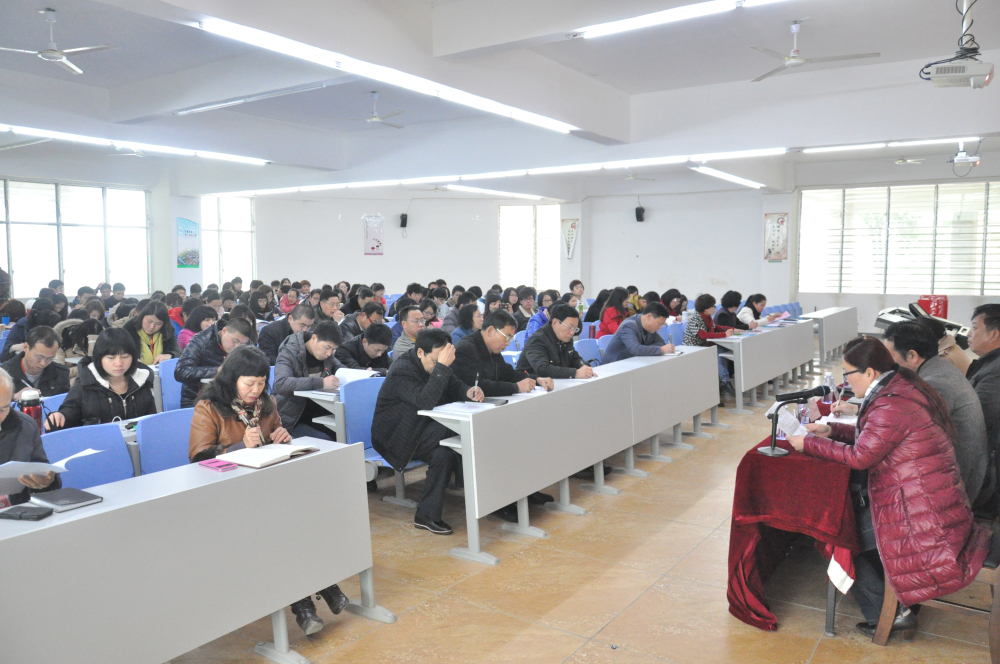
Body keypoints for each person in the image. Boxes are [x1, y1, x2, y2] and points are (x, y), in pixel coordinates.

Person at [787, 337, 990, 638]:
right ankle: (901, 599)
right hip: (929, 502)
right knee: (849, 522)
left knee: (840, 533)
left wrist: (809, 443)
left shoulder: (891, 402)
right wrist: (832, 430)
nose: (846, 381)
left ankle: (890, 613)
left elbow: (860, 457)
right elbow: (876, 438)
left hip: (921, 516)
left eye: (848, 374)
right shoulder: (899, 388)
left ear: (869, 372)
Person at [371, 328, 483, 535]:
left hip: (422, 428)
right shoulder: (402, 370)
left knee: (443, 454)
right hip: (398, 436)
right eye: (436, 361)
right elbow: (425, 401)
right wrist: (442, 367)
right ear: (420, 352)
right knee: (458, 429)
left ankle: (426, 515)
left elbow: (453, 384)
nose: (440, 365)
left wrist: (468, 391)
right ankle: (467, 483)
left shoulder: (435, 363)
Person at [867, 321, 989, 505]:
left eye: (890, 356)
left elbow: (900, 432)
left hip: (956, 487)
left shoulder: (935, 384)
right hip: (955, 471)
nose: (887, 363)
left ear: (912, 356)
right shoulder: (939, 367)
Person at [45, 328, 157, 430]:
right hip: (98, 444)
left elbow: (152, 422)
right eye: (111, 358)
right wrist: (60, 416)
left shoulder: (141, 381)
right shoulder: (86, 384)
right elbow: (69, 412)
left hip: (137, 444)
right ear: (99, 358)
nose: (119, 363)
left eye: (125, 357)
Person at [273, 321, 345, 440]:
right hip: (292, 416)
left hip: (318, 410)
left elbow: (340, 368)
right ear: (314, 338)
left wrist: (356, 375)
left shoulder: (326, 355)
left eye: (333, 350)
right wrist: (321, 382)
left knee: (344, 432)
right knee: (328, 439)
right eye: (327, 348)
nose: (329, 353)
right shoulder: (290, 352)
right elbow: (282, 383)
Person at [0, 368, 61, 508]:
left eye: (2, 409)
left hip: (15, 510)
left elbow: (42, 471)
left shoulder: (24, 426)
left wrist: (45, 482)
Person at [453, 310, 550, 397]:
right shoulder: (465, 349)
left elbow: (509, 374)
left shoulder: (493, 349)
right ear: (490, 331)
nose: (508, 343)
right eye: (506, 337)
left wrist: (537, 380)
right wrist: (516, 387)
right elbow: (476, 386)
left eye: (510, 339)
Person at [175, 317, 254, 407]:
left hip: (233, 398)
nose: (237, 347)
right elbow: (181, 371)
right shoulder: (200, 341)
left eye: (242, 344)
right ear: (224, 331)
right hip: (198, 399)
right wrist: (217, 371)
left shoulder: (246, 344)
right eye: (235, 341)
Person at [966, 304, 1000, 508]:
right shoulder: (989, 365)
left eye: (974, 328)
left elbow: (980, 419)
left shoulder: (995, 371)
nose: (969, 334)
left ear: (994, 334)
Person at [516, 304, 594, 379]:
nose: (572, 333)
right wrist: (575, 373)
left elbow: (574, 358)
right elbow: (542, 369)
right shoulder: (537, 339)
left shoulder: (566, 337)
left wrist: (584, 366)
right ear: (555, 323)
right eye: (570, 327)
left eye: (575, 329)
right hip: (532, 384)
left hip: (558, 382)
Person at [684, 294, 735, 393]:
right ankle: (724, 381)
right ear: (706, 309)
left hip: (703, 346)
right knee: (718, 352)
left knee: (720, 351)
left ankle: (724, 382)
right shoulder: (695, 318)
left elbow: (716, 327)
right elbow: (703, 335)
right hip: (694, 348)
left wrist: (733, 329)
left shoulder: (707, 317)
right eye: (713, 306)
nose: (715, 308)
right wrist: (724, 334)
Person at [1, 326, 70, 398]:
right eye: (39, 357)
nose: (43, 363)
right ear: (25, 347)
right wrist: (13, 398)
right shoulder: (4, 374)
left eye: (50, 358)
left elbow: (66, 402)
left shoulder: (60, 373)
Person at [602, 302, 675, 363]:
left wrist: (643, 349)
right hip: (614, 366)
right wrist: (661, 350)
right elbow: (636, 349)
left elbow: (661, 343)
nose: (660, 327)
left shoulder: (649, 327)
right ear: (649, 317)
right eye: (659, 323)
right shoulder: (628, 326)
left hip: (633, 363)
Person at [122, 301, 180, 366]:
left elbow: (177, 351)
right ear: (142, 317)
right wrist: (130, 359)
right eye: (149, 321)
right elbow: (120, 352)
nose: (152, 327)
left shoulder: (167, 331)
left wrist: (170, 355)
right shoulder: (129, 330)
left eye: (158, 324)